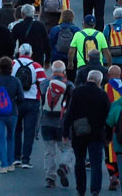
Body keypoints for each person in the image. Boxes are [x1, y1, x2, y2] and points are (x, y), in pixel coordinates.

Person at [64, 70, 110, 196]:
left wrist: (65, 131)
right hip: (97, 133)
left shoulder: (77, 92)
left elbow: (70, 112)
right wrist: (109, 135)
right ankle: (95, 189)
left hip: (79, 132)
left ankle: (81, 189)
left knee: (79, 161)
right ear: (99, 81)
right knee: (96, 163)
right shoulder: (102, 94)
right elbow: (108, 116)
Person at [39, 60, 73, 189]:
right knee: (66, 148)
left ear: (52, 71)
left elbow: (42, 101)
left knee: (49, 151)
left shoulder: (44, 84)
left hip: (46, 122)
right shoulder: (69, 85)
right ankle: (64, 166)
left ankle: (50, 178)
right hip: (62, 122)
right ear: (64, 71)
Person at [13, 44, 47, 169]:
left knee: (16, 130)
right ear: (31, 53)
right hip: (32, 101)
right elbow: (43, 85)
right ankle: (26, 159)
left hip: (16, 101)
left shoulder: (13, 64)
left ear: (19, 52)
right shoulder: (36, 66)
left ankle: (15, 157)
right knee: (29, 131)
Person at [0, 56, 23, 173]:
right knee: (11, 137)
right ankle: (11, 162)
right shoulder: (15, 80)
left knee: (1, 138)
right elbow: (21, 97)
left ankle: (3, 164)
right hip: (12, 112)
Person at [68, 14, 111, 81]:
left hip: (82, 65)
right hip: (98, 65)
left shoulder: (78, 34)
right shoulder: (100, 35)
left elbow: (71, 51)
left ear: (83, 23)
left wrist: (70, 63)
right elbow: (106, 52)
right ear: (94, 25)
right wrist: (109, 65)